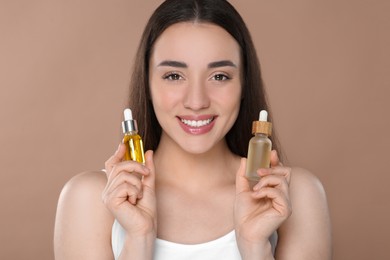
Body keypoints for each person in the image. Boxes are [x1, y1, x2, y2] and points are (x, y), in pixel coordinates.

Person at [54, 0, 332, 259]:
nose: (196, 101)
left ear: (244, 85)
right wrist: (138, 241)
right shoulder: (89, 200)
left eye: (219, 76)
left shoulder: (295, 195)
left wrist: (255, 247)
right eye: (174, 76)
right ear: (147, 84)